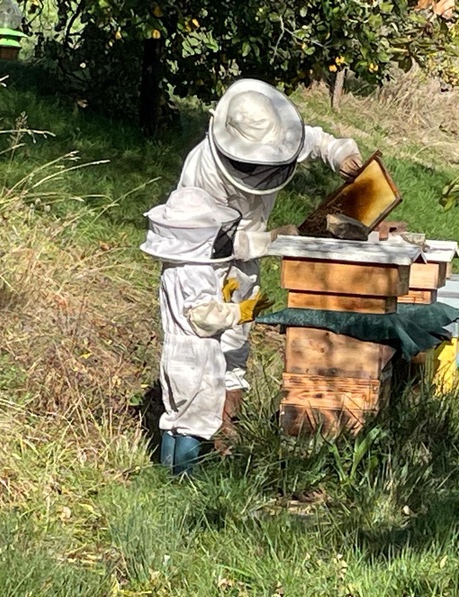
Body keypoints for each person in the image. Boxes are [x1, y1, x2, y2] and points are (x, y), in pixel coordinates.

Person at [175, 78, 363, 440]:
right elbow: (209, 244)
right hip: (204, 269)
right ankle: (204, 434)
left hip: (244, 262)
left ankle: (229, 428)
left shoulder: (274, 138)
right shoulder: (203, 176)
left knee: (236, 346)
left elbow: (317, 140)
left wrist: (341, 153)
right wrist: (270, 239)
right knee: (207, 347)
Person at [140, 187, 274, 475]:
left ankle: (166, 475)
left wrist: (222, 295)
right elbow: (203, 318)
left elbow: (190, 308)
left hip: (174, 351)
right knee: (196, 420)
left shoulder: (173, 268)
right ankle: (186, 477)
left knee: (175, 417)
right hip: (197, 354)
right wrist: (241, 311)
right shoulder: (197, 272)